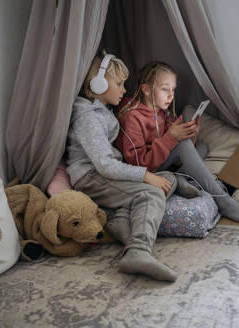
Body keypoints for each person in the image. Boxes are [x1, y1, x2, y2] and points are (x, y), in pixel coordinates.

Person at [65, 53, 178, 282]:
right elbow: (105, 166)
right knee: (153, 192)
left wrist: (148, 176)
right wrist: (144, 176)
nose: (124, 90)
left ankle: (118, 219)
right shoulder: (87, 118)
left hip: (103, 174)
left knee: (167, 179)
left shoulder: (100, 111)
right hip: (91, 177)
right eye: (119, 84)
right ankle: (138, 251)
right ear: (97, 84)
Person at [115, 61, 239, 224]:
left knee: (203, 146)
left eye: (173, 90)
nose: (171, 95)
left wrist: (191, 134)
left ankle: (180, 178)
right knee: (183, 145)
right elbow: (137, 164)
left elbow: (183, 152)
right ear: (147, 90)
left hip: (163, 164)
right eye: (165, 89)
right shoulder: (132, 118)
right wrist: (172, 137)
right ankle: (223, 201)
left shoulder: (162, 113)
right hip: (146, 172)